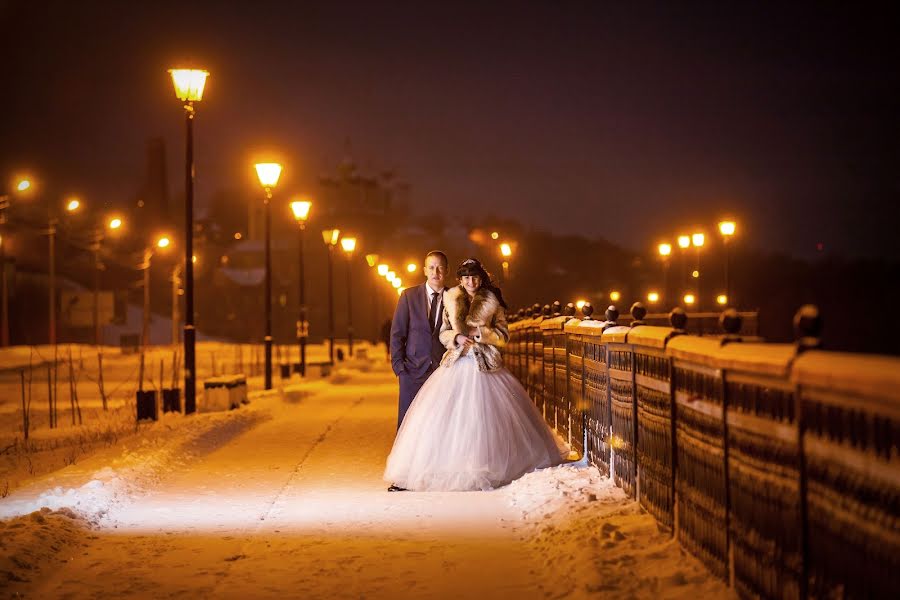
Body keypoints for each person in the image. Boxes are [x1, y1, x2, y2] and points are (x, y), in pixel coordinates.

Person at [384, 258, 565, 492]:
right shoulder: (452, 299)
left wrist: (481, 333)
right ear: (460, 280)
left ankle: (488, 466)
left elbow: (503, 335)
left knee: (483, 418)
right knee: (446, 419)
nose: (471, 282)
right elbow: (443, 332)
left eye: (475, 277)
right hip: (456, 363)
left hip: (484, 364)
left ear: (481, 278)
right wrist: (456, 338)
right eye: (466, 278)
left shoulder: (493, 302)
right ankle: (443, 467)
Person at [389, 251, 449, 429]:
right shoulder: (408, 296)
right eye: (431, 267)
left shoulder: (455, 298)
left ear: (446, 271)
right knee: (409, 425)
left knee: (439, 424)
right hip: (412, 371)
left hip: (443, 372)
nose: (435, 272)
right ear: (424, 270)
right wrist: (399, 367)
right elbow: (397, 333)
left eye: (440, 268)